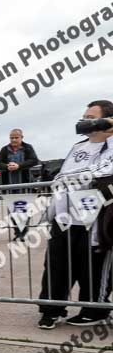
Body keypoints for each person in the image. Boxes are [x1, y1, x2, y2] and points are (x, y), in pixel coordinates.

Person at [37, 100, 113, 329]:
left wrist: (74, 178)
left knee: (92, 265)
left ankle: (95, 310)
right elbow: (62, 176)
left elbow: (100, 173)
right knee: (57, 263)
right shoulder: (77, 146)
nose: (85, 121)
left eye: (91, 117)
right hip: (64, 216)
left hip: (94, 217)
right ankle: (51, 309)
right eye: (84, 116)